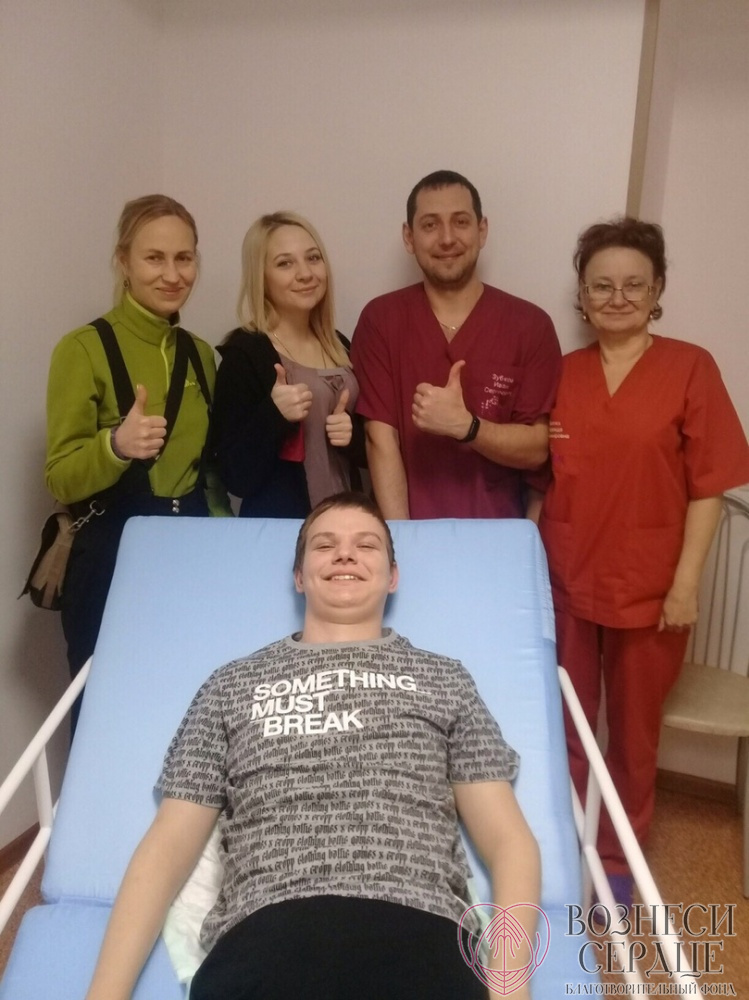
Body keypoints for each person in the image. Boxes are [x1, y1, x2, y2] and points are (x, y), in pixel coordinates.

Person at [84, 492, 540, 1000]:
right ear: (299, 577)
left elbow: (509, 842)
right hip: (265, 938)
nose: (344, 554)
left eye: (366, 545)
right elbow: (168, 845)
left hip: (421, 930)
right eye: (324, 545)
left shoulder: (444, 679)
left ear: (392, 576)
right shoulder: (232, 684)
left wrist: (510, 988)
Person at [538, 217, 749, 903]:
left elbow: (709, 487)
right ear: (582, 295)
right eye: (602, 285)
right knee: (565, 725)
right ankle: (563, 846)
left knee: (632, 737)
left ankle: (617, 859)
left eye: (634, 284)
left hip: (651, 587)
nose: (618, 297)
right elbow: (541, 475)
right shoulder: (562, 374)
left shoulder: (690, 367)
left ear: (657, 291)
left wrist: (685, 585)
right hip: (568, 577)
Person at [45, 194, 231, 701]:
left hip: (190, 550)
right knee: (104, 705)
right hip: (110, 554)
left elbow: (210, 474)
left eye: (184, 258)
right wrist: (116, 446)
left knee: (189, 702)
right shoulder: (82, 349)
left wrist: (226, 545)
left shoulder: (201, 355)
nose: (172, 274)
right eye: (154, 258)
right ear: (123, 261)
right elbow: (60, 475)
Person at [350, 170, 561, 519]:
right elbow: (380, 440)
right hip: (408, 528)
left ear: (482, 230)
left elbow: (537, 450)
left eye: (460, 222)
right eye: (430, 225)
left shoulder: (530, 325)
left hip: (497, 532)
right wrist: (403, 540)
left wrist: (467, 427)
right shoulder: (382, 320)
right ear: (409, 237)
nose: (447, 239)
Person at [211, 212, 365, 517]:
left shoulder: (339, 344)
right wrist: (274, 415)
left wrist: (352, 438)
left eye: (313, 258)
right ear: (261, 278)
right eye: (285, 263)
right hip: (282, 529)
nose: (305, 273)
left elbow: (369, 452)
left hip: (345, 523)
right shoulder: (244, 354)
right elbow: (235, 477)